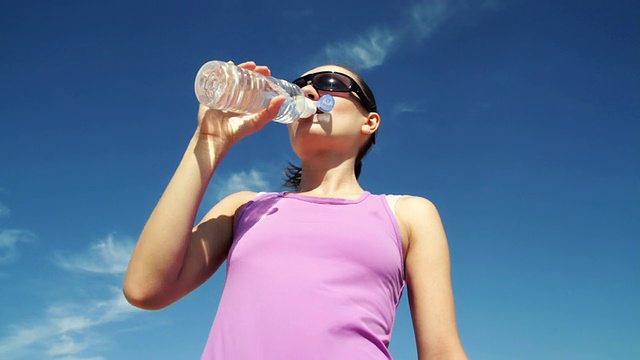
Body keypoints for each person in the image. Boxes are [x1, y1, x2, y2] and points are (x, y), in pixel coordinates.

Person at [123, 61, 468, 360]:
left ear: (370, 122)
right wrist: (209, 140)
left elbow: (441, 351)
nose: (309, 93)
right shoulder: (244, 207)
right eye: (300, 87)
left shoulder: (407, 214)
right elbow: (145, 289)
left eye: (330, 84)